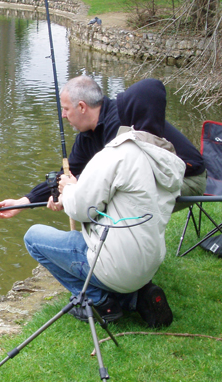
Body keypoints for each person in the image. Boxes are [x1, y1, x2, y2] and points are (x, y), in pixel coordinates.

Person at [23, 79, 186, 328]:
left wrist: (68, 191)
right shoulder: (167, 158)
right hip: (150, 262)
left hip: (117, 266)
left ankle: (102, 302)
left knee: (33, 237)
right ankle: (137, 297)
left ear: (128, 112)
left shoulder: (117, 153)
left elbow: (82, 210)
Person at [0, 75, 206, 219]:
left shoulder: (119, 123)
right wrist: (23, 202)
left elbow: (106, 183)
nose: (63, 115)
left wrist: (71, 195)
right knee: (98, 201)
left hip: (188, 177)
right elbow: (68, 173)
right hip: (155, 178)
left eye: (65, 109)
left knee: (111, 202)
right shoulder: (87, 136)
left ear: (82, 107)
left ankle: (126, 271)